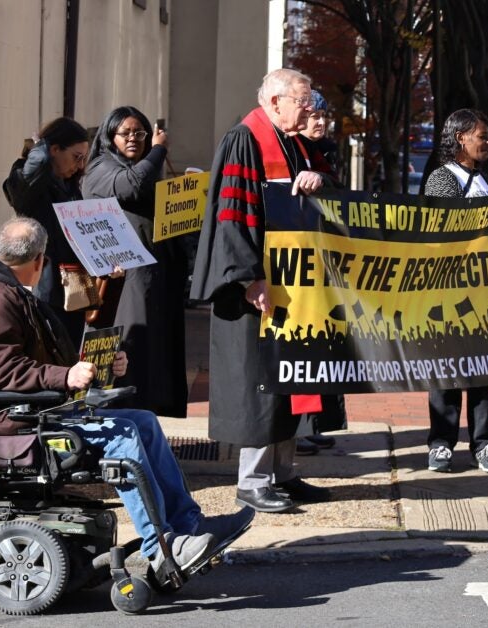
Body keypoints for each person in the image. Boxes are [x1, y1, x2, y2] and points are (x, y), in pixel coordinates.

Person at [0, 217, 253, 574]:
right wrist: (66, 375)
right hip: (16, 429)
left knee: (143, 422)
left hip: (31, 414)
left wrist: (93, 363)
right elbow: (0, 372)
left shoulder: (2, 290)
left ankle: (189, 526)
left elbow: (36, 358)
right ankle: (160, 545)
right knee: (122, 437)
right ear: (40, 260)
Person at [190, 68, 343, 513]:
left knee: (289, 378)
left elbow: (329, 194)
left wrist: (318, 181)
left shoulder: (297, 143)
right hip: (255, 289)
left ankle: (285, 474)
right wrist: (249, 278)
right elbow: (232, 216)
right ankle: (252, 480)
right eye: (302, 99)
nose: (309, 108)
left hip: (294, 285)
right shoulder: (246, 139)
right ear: (274, 102)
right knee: (260, 384)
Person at [82, 106, 189, 417]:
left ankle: (147, 420)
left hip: (155, 279)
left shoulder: (142, 166)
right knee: (130, 355)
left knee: (154, 357)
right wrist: (158, 150)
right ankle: (127, 421)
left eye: (140, 133)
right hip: (122, 284)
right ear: (110, 135)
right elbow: (132, 185)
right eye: (125, 133)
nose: (133, 139)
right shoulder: (102, 167)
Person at [422, 108, 488, 475]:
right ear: (461, 138)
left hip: (484, 293)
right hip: (448, 292)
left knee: (482, 372)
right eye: (482, 136)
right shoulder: (441, 179)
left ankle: (484, 443)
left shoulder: (483, 179)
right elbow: (447, 226)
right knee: (445, 372)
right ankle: (441, 445)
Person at [2, 117, 90, 348]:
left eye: (84, 158)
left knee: (72, 355)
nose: (80, 165)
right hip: (46, 288)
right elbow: (25, 184)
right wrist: (41, 147)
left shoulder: (68, 182)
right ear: (54, 149)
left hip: (74, 287)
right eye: (76, 157)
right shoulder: (27, 178)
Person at [294, 89, 345, 455]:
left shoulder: (324, 153)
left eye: (323, 116)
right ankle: (300, 427)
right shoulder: (291, 150)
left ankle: (316, 423)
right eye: (313, 115)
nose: (319, 122)